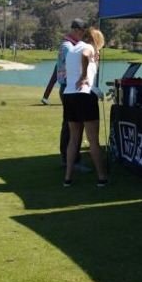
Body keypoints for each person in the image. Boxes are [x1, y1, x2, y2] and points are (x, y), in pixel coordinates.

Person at [62, 27, 107, 187]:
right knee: (93, 140)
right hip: (84, 95)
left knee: (74, 139)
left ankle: (68, 177)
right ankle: (102, 176)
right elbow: (86, 55)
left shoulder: (73, 48)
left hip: (69, 95)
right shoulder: (87, 48)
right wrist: (84, 76)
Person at [54, 19, 90, 171]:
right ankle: (72, 160)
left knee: (70, 125)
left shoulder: (71, 46)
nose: (82, 36)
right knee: (73, 126)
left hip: (70, 89)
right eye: (82, 32)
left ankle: (67, 158)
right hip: (70, 89)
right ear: (76, 30)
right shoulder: (68, 47)